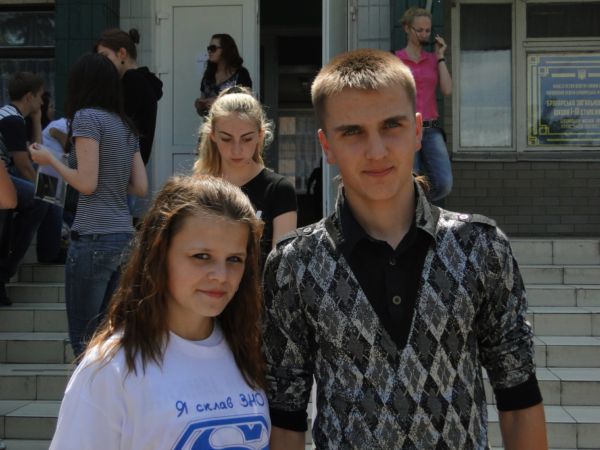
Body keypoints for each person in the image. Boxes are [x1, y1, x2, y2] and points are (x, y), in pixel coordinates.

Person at [263, 49, 548, 449]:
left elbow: (518, 399)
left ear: (416, 130)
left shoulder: (480, 247)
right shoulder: (295, 264)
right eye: (352, 132)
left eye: (391, 125)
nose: (376, 151)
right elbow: (286, 417)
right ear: (327, 145)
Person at [48, 175, 270, 450]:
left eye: (234, 259)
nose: (221, 276)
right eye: (201, 256)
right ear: (159, 253)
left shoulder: (248, 350)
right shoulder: (110, 369)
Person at [29, 53, 148, 357]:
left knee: (84, 342)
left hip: (93, 238)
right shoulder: (126, 125)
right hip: (124, 238)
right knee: (110, 339)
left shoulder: (86, 118)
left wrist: (49, 158)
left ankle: (88, 390)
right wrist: (108, 180)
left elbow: (86, 183)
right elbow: (140, 186)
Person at [194, 86, 297, 266]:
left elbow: (281, 267)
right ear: (213, 136)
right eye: (226, 139)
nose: (237, 150)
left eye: (246, 138)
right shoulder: (197, 189)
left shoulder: (279, 190)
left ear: (260, 135)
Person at [0, 72, 49, 305]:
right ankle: (7, 270)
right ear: (29, 97)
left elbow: (36, 154)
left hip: (5, 176)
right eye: (40, 97)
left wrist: (37, 120)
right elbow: (24, 166)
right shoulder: (12, 120)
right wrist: (45, 192)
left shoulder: (12, 116)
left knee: (45, 195)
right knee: (41, 200)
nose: (42, 103)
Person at [395, 7, 453, 203]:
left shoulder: (433, 60)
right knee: (409, 180)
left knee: (444, 183)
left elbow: (447, 89)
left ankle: (420, 206)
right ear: (406, 28)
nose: (424, 34)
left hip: (431, 128)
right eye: (419, 30)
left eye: (427, 30)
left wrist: (440, 56)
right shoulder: (396, 60)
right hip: (406, 129)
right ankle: (413, 213)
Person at [96, 28, 164, 165]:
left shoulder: (132, 81)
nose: (101, 63)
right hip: (133, 165)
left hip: (122, 165)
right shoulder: (143, 81)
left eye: (105, 56)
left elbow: (116, 127)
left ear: (122, 53)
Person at [194, 34, 252, 117]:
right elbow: (202, 112)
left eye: (213, 48)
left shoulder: (241, 73)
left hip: (233, 123)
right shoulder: (208, 75)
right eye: (208, 48)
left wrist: (219, 102)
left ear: (226, 50)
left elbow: (247, 103)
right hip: (210, 124)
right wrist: (200, 105)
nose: (209, 51)